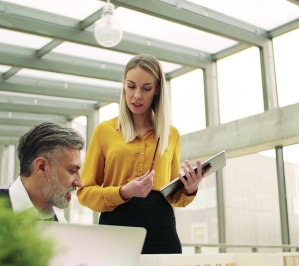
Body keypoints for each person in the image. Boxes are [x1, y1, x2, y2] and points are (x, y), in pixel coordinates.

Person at [77, 54, 210, 254]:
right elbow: (85, 192)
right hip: (116, 231)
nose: (137, 95)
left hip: (162, 232)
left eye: (146, 88)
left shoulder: (171, 134)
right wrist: (123, 192)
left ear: (156, 90)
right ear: (123, 86)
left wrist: (189, 189)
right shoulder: (104, 131)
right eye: (131, 86)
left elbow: (173, 196)